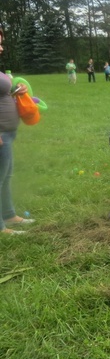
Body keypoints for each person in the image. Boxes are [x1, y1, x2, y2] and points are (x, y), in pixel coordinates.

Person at [0, 28, 34, 235]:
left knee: (7, 176)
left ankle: (9, 215)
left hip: (8, 132)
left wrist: (15, 92)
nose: (2, 47)